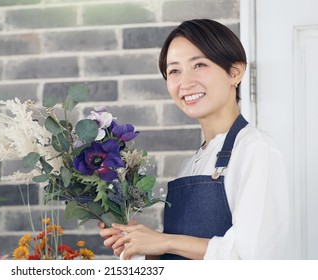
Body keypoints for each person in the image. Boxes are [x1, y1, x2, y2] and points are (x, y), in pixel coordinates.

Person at [98, 19, 290, 260]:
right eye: (174, 71)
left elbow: (255, 258)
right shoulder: (193, 163)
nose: (185, 83)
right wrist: (140, 244)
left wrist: (164, 241)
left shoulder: (255, 150)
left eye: (199, 64)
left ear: (235, 72)